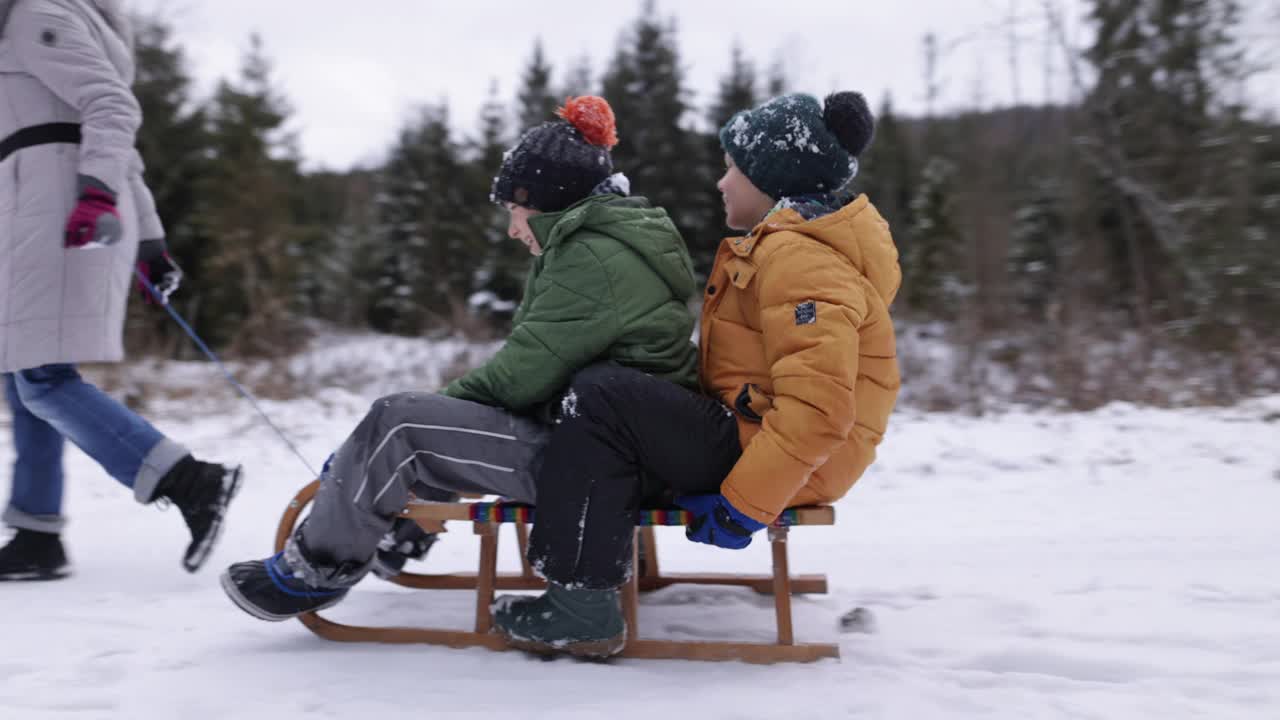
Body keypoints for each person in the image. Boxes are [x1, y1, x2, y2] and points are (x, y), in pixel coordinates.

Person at [220, 96, 702, 621]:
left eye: (516, 211)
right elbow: (540, 369)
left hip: (594, 462)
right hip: (619, 450)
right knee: (435, 423)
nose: (513, 227)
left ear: (546, 202)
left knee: (396, 423)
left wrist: (428, 413)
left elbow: (522, 375)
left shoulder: (592, 257)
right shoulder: (610, 243)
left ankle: (316, 572)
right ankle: (400, 534)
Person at [491, 91, 903, 658]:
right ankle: (603, 557)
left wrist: (744, 503)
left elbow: (819, 408)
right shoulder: (791, 249)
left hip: (784, 459)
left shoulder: (803, 260)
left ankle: (580, 605)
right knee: (618, 392)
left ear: (772, 180)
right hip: (768, 443)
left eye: (733, 168)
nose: (721, 183)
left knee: (602, 396)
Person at [0, 0, 241, 580]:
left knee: (42, 379)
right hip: (40, 196)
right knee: (21, 371)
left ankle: (188, 480)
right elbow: (119, 146)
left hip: (53, 201)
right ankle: (36, 531)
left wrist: (97, 195)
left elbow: (112, 108)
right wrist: (150, 242)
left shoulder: (33, 14)